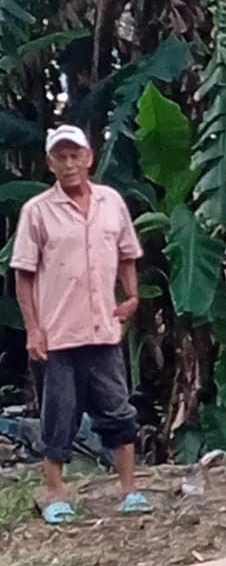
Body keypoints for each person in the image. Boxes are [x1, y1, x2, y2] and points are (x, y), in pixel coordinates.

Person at [11, 124, 149, 523]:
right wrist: (33, 329)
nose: (69, 164)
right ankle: (55, 493)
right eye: (61, 157)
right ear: (51, 163)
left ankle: (129, 490)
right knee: (59, 415)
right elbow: (24, 274)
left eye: (76, 155)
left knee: (118, 411)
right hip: (58, 334)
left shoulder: (111, 202)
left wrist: (132, 295)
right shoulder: (36, 211)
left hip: (103, 330)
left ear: (89, 158)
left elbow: (127, 252)